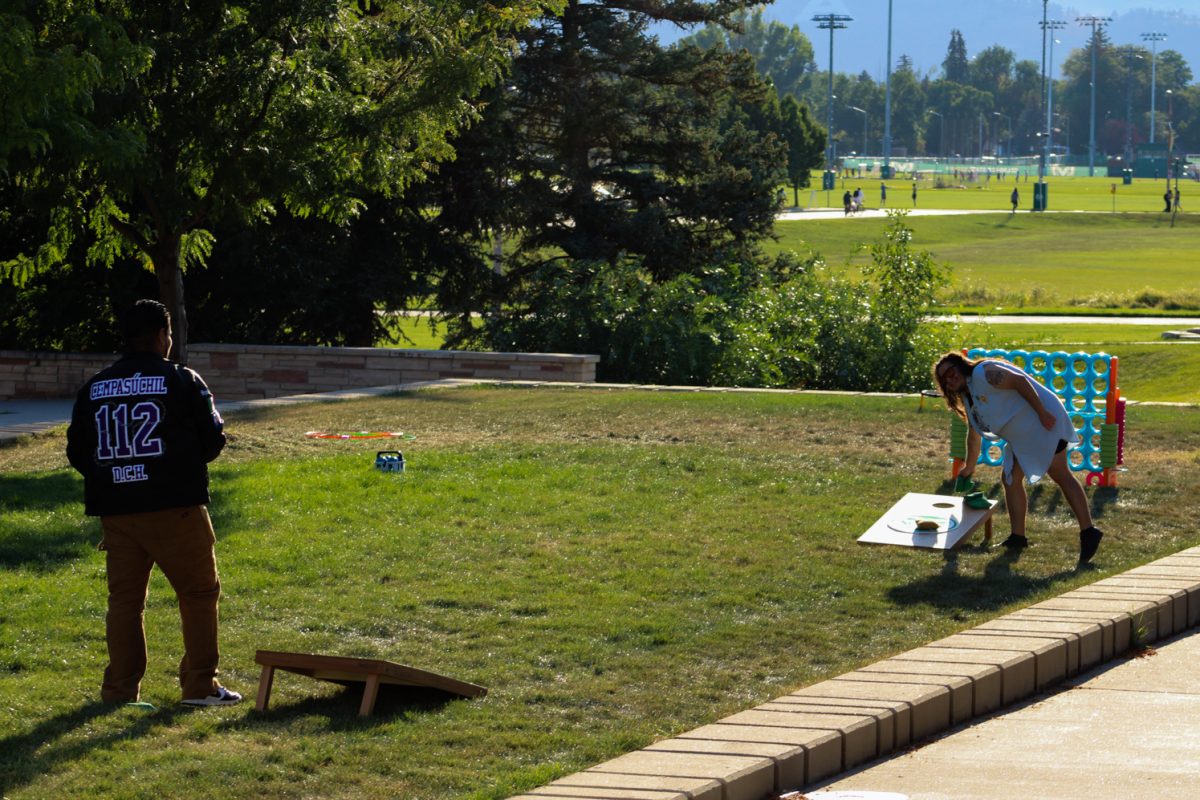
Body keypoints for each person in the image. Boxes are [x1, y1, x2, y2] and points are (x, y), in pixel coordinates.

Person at [67, 300, 241, 706]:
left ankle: (119, 692)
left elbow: (78, 451)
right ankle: (199, 686)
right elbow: (213, 439)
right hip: (175, 506)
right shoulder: (181, 379)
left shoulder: (94, 387)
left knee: (125, 603)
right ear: (164, 335)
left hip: (118, 511)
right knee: (198, 595)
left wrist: (117, 479)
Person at [932, 351, 1104, 564]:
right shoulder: (969, 394)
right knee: (1010, 478)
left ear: (961, 366)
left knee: (1060, 474)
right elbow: (973, 433)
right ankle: (1017, 537)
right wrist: (969, 466)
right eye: (943, 378)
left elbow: (1020, 382)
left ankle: (1089, 531)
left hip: (1044, 423)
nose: (949, 378)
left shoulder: (984, 373)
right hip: (1022, 436)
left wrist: (1042, 412)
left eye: (951, 371)